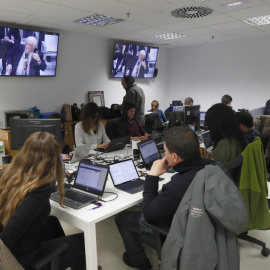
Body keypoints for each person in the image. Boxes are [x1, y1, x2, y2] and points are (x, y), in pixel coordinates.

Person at [115, 126, 214, 270]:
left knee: (122, 218)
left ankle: (139, 262)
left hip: (178, 233)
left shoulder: (177, 185)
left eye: (165, 152)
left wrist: (152, 177)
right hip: (205, 229)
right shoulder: (212, 166)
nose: (163, 156)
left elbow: (148, 213)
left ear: (174, 157)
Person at [0, 132, 86, 270]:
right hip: (21, 259)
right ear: (52, 159)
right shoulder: (39, 188)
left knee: (52, 223)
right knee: (82, 242)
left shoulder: (10, 174)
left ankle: (64, 261)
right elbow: (11, 233)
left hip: (16, 245)